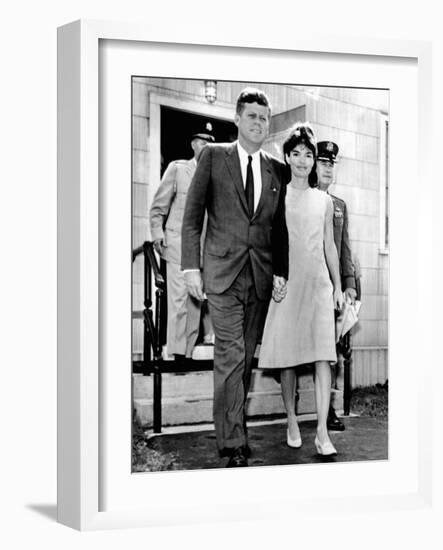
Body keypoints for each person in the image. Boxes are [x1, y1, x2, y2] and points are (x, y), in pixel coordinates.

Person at [181, 88, 289, 467]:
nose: (259, 122)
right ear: (238, 119)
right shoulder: (213, 157)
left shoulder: (277, 169)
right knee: (231, 355)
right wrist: (190, 267)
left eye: (264, 117)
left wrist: (280, 271)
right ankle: (231, 442)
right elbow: (192, 217)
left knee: (244, 361)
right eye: (252, 116)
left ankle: (234, 426)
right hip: (221, 273)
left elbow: (278, 228)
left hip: (258, 278)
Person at [258, 123, 344, 456]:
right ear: (287, 157)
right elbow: (268, 242)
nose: (303, 161)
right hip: (289, 286)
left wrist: (337, 286)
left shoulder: (323, 200)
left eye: (309, 155)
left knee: (324, 356)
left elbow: (329, 245)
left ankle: (322, 432)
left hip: (319, 285)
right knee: (289, 359)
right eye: (296, 154)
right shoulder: (277, 195)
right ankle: (292, 419)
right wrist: (275, 277)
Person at [150, 125, 215, 360]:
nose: (205, 146)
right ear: (193, 144)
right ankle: (176, 353)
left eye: (209, 143)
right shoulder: (178, 170)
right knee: (177, 300)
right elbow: (159, 206)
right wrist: (158, 233)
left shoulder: (213, 176)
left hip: (200, 249)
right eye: (201, 141)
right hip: (177, 243)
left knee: (195, 302)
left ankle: (187, 353)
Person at [317, 140, 357, 432]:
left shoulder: (339, 205)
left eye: (331, 163)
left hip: (331, 292)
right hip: (305, 288)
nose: (328, 168)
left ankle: (329, 409)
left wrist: (349, 285)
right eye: (323, 162)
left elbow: (344, 249)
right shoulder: (299, 198)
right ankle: (293, 407)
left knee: (332, 352)